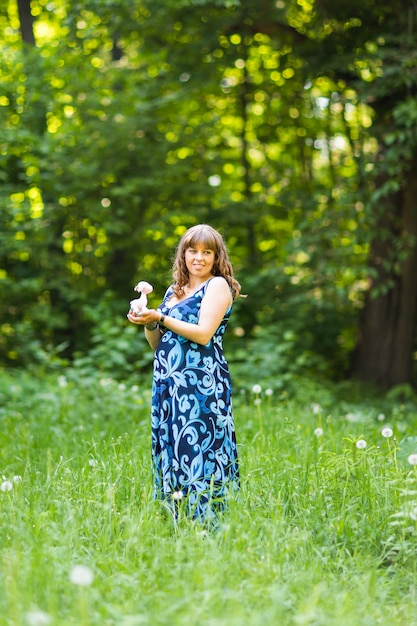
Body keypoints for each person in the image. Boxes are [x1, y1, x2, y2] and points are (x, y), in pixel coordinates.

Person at [127, 224, 241, 522]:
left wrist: (161, 316)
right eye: (193, 251)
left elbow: (203, 334)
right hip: (169, 384)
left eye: (207, 252)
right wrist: (149, 321)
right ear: (183, 254)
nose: (199, 258)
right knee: (173, 444)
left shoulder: (217, 285)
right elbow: (158, 343)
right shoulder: (173, 291)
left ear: (216, 257)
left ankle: (209, 522)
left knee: (201, 446)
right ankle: (177, 520)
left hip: (201, 381)